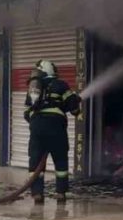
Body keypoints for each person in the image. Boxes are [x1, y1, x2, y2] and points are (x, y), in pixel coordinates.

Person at [23, 59, 81, 205]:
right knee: (60, 159)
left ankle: (37, 194)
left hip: (37, 127)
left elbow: (26, 113)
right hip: (56, 127)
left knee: (35, 160)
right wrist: (76, 102)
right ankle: (61, 193)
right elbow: (73, 108)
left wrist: (37, 123)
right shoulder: (61, 85)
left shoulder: (33, 88)